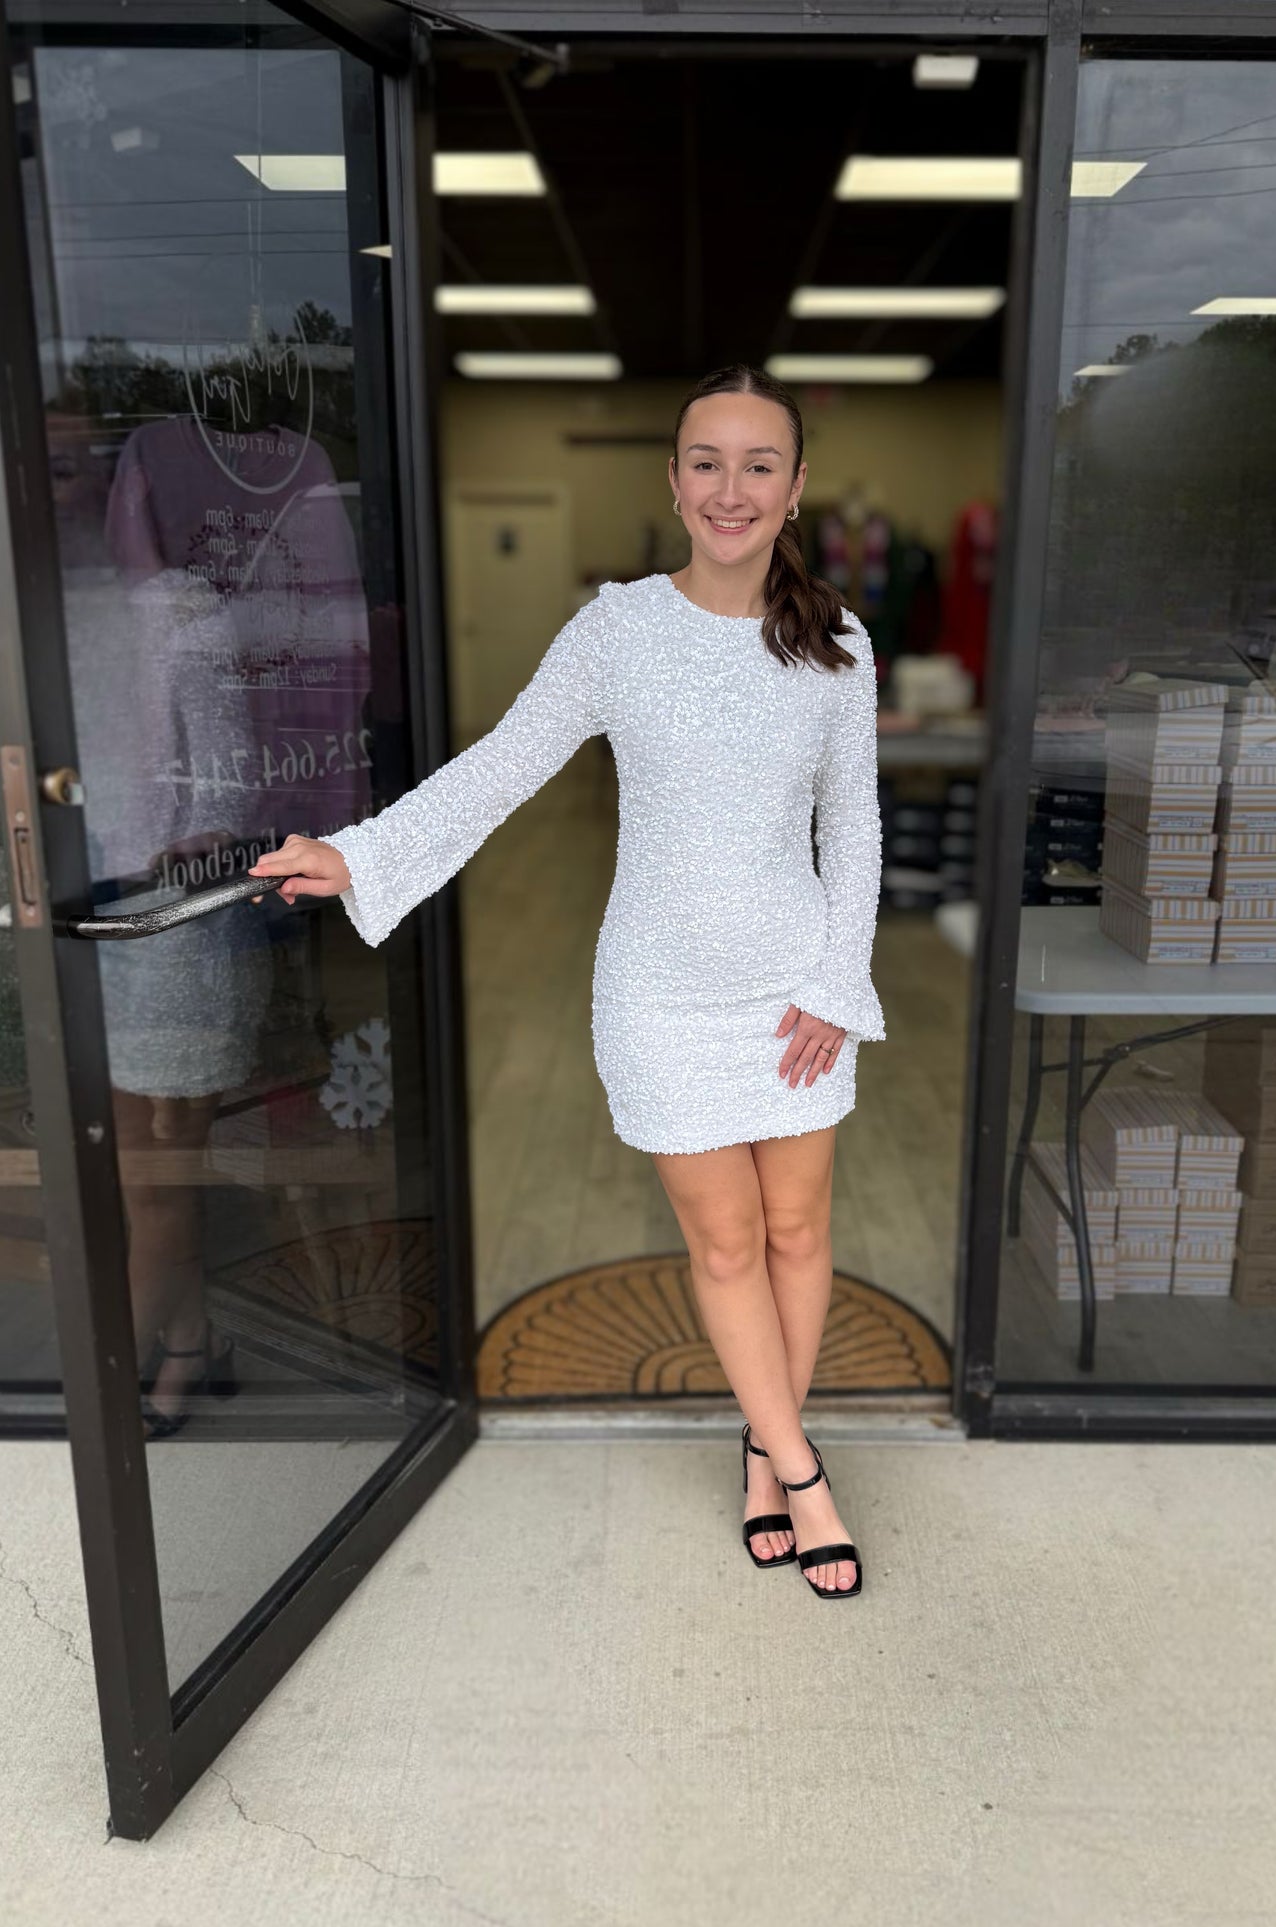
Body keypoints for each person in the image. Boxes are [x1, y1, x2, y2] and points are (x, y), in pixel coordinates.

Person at [247, 364, 887, 1599]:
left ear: (796, 488)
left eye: (760, 464)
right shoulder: (618, 628)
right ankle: (805, 1473)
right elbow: (502, 766)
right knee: (726, 1238)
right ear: (673, 478)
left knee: (800, 1229)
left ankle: (763, 1447)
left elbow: (852, 828)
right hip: (657, 991)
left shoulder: (838, 644)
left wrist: (834, 980)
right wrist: (358, 852)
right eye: (707, 460)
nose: (730, 487)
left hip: (794, 988)